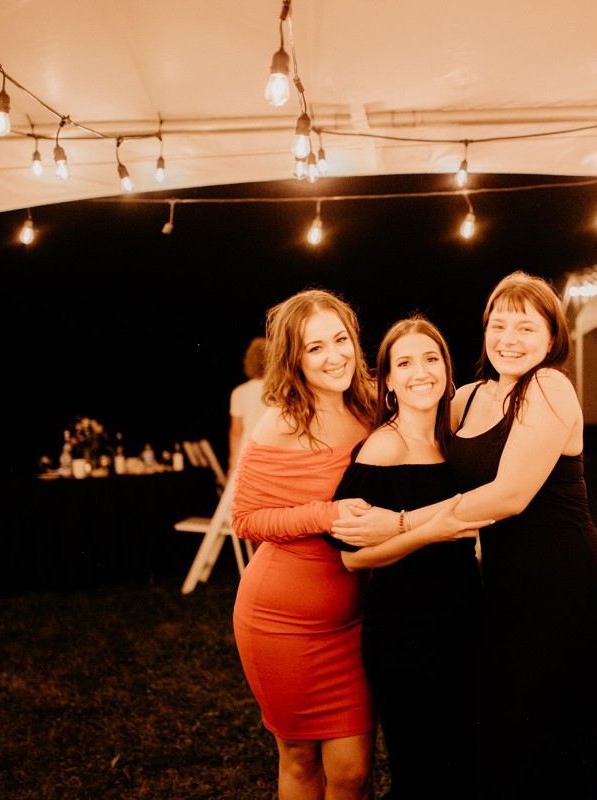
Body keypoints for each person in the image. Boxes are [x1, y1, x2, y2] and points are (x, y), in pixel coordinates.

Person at [332, 271, 597, 800]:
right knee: (501, 751)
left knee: (559, 755)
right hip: (502, 598)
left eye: (526, 327)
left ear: (552, 338)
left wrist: (400, 522)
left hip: (568, 592)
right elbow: (410, 410)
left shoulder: (548, 386)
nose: (509, 339)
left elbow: (509, 496)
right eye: (498, 325)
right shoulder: (468, 398)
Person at [324, 315, 489, 800]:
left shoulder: (450, 441)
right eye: (405, 363)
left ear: (447, 370)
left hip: (463, 623)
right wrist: (426, 531)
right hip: (407, 636)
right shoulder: (383, 447)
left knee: (463, 769)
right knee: (423, 776)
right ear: (389, 382)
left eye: (431, 359)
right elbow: (352, 559)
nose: (421, 372)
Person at [230, 288, 380, 800]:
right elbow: (245, 519)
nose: (334, 356)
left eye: (340, 340)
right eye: (315, 347)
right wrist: (327, 514)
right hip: (282, 624)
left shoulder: (372, 406)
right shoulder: (282, 422)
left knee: (354, 772)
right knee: (299, 759)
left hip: (356, 621)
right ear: (293, 358)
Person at [229, 336, 269, 472]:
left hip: (247, 454)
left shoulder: (239, 392)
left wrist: (232, 464)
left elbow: (236, 433)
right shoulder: (282, 390)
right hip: (273, 452)